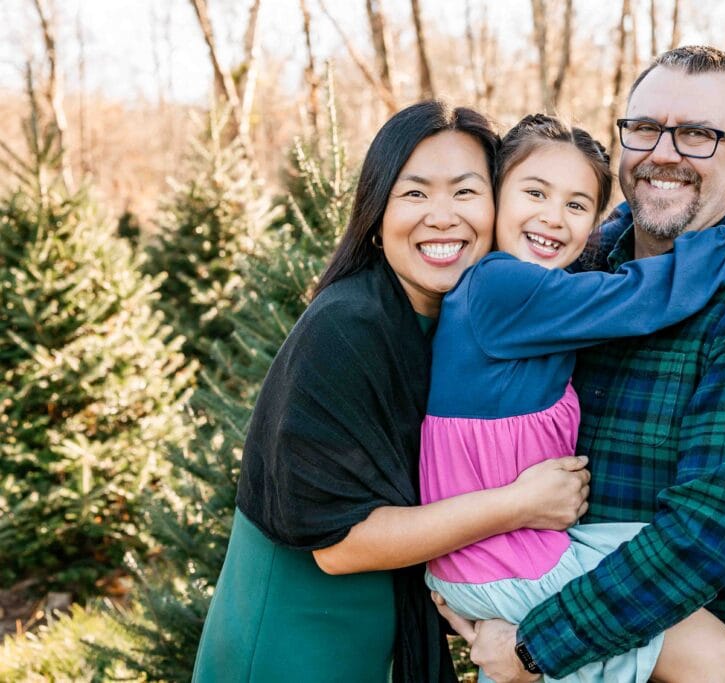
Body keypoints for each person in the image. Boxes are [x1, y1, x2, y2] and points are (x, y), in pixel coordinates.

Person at [450, 46, 725, 683]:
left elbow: (699, 540)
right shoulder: (587, 255)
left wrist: (533, 648)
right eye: (645, 129)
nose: (664, 152)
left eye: (698, 135)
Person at [191, 101, 593, 683]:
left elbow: (578, 221)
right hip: (298, 644)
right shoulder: (346, 328)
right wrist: (519, 503)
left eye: (465, 192)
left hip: (386, 637)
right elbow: (341, 544)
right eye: (414, 194)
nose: (442, 217)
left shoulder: (458, 321)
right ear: (377, 213)